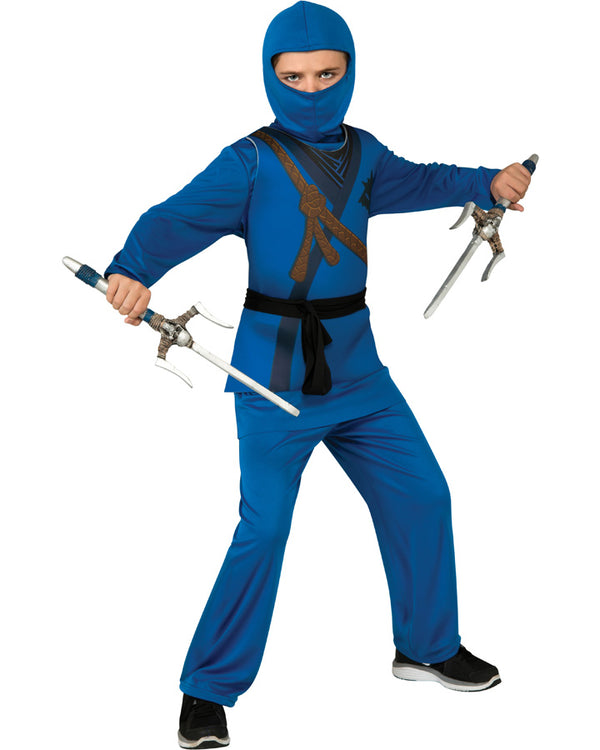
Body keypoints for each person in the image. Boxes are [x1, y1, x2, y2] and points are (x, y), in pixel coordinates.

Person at [103, 2, 531, 747]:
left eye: (327, 75)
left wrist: (490, 181)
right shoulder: (250, 162)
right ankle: (207, 689)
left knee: (423, 494)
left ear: (350, 72)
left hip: (358, 372)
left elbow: (424, 181)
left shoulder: (364, 154)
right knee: (265, 528)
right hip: (272, 378)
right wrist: (130, 270)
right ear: (270, 76)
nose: (310, 90)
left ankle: (426, 646)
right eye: (294, 77)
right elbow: (174, 218)